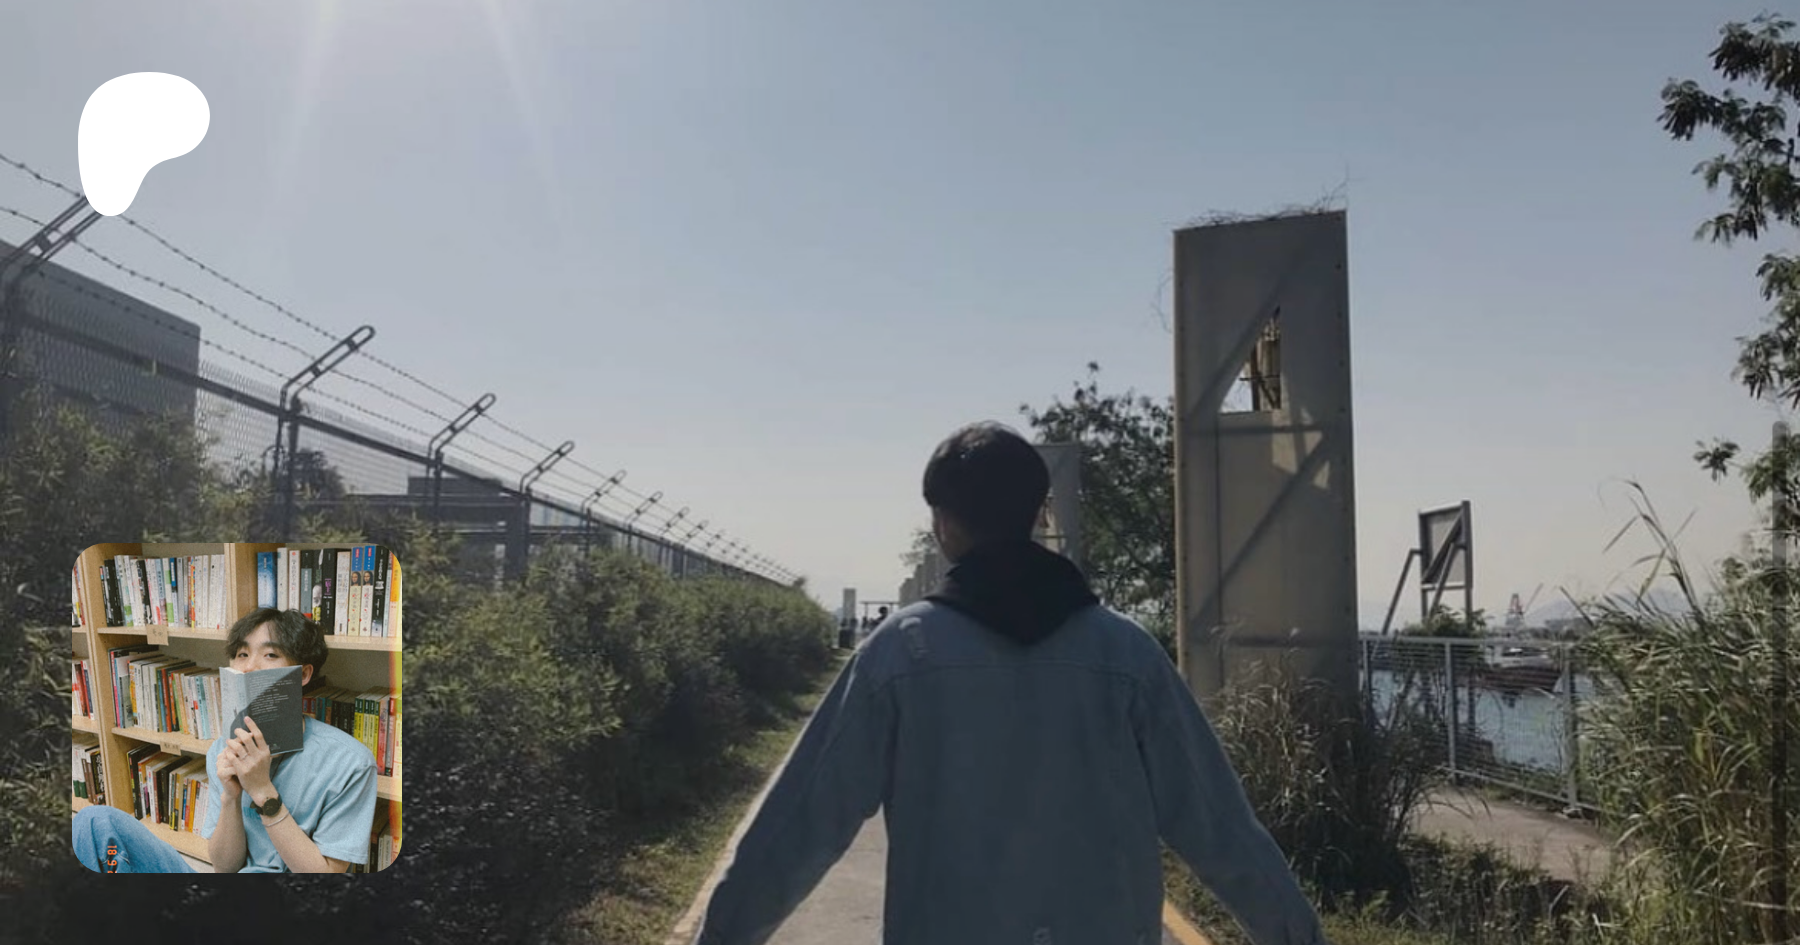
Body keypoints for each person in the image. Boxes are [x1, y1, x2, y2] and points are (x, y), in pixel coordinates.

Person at [691, 421, 1330, 945]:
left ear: (943, 523)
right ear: (1037, 513)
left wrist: (723, 934)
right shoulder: (1126, 653)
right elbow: (1218, 823)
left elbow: (802, 822)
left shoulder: (901, 653)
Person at [72, 607, 379, 873]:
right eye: (242, 654)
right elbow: (224, 867)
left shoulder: (350, 762)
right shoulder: (224, 747)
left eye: (270, 655)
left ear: (302, 675)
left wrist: (262, 791)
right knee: (95, 821)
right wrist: (231, 798)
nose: (249, 666)